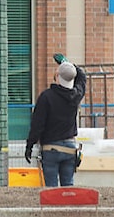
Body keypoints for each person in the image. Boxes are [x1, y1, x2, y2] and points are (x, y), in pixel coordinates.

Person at [24, 57, 87, 187]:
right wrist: (69, 64)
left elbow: (37, 124)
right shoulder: (76, 96)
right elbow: (82, 78)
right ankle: (68, 207)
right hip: (70, 147)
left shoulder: (46, 97)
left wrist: (30, 145)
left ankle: (53, 207)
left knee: (51, 189)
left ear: (57, 76)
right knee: (68, 186)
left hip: (50, 148)